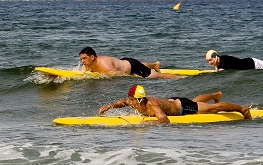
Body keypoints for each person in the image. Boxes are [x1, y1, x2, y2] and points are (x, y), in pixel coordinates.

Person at [98, 85, 252, 124]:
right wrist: (109, 106)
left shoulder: (151, 105)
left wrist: (148, 123)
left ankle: (242, 109)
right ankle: (214, 95)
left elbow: (164, 120)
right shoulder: (133, 101)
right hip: (175, 101)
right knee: (195, 102)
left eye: (133, 99)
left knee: (212, 109)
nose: (130, 101)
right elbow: (121, 102)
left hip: (183, 108)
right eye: (131, 99)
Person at [78, 47, 181, 79]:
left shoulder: (104, 64)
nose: (82, 61)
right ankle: (154, 65)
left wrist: (102, 75)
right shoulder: (87, 64)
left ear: (92, 57)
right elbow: (81, 75)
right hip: (125, 61)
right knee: (142, 65)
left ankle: (179, 78)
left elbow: (118, 74)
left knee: (158, 76)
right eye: (81, 59)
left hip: (133, 66)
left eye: (84, 58)